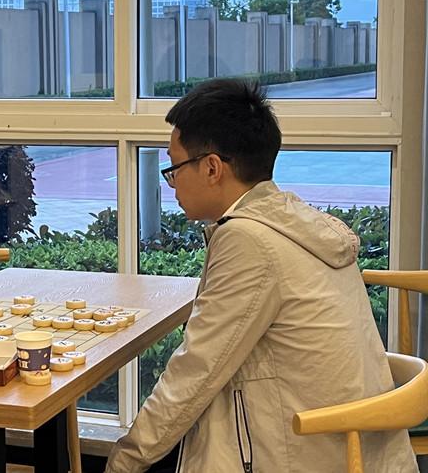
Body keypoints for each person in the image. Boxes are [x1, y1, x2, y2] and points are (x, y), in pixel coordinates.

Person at [105, 79, 417, 472]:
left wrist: (123, 462)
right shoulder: (292, 218)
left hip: (310, 455)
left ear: (212, 168)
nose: (172, 184)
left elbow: (194, 375)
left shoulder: (248, 241)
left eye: (174, 168)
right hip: (358, 452)